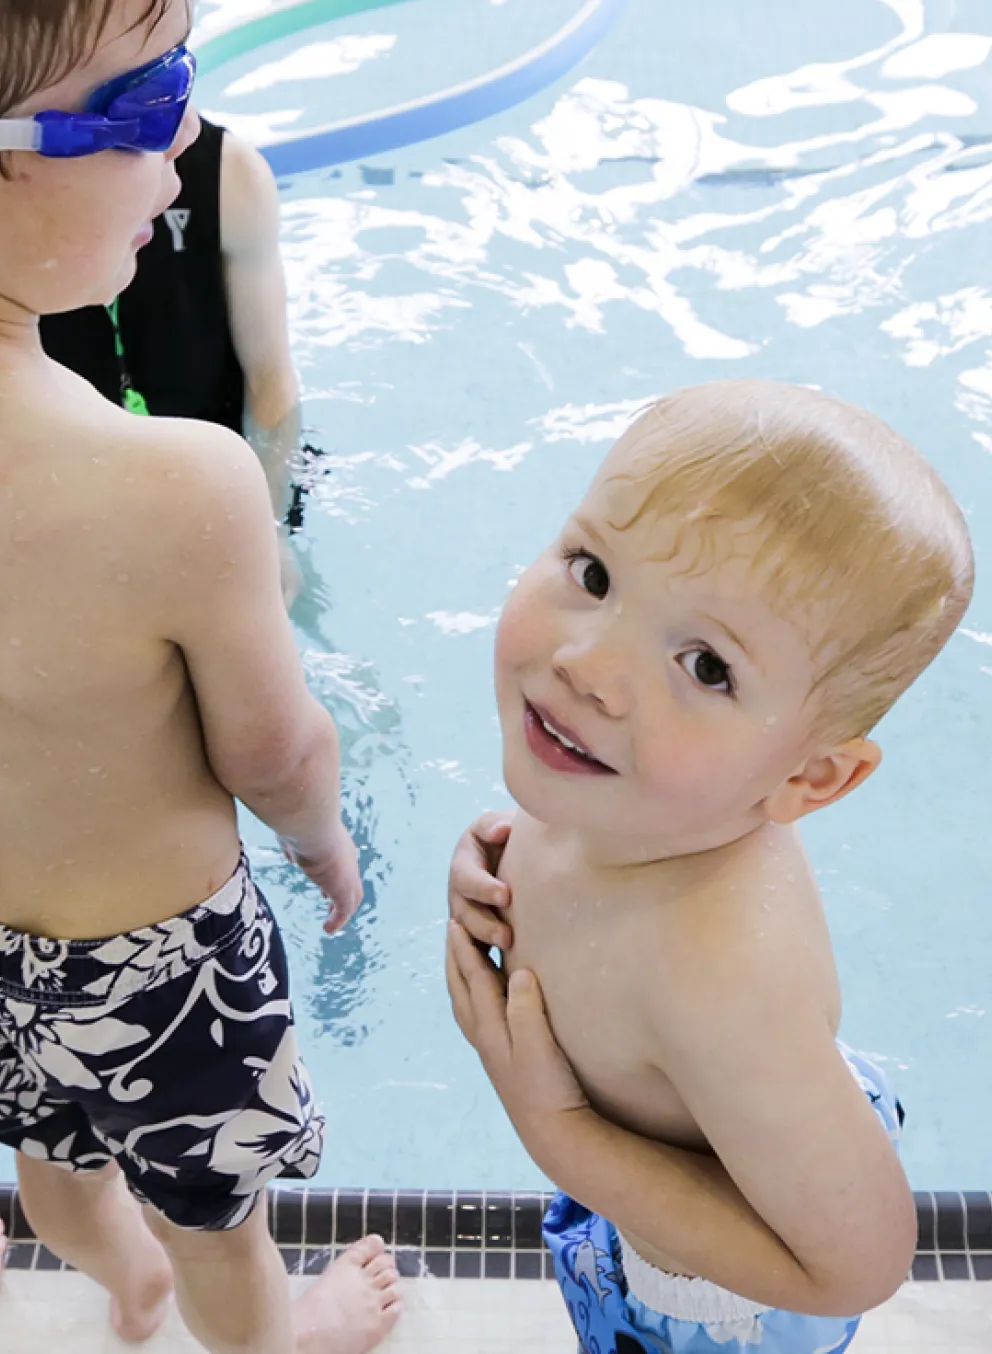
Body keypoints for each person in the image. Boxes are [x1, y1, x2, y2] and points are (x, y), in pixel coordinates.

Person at [0, 3, 400, 1351]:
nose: (183, 141)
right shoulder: (178, 484)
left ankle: (124, 1284)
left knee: (50, 1171)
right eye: (147, 97)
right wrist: (322, 838)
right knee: (220, 1216)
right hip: (165, 969)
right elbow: (276, 750)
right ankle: (279, 1329)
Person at [446, 380, 973, 1354]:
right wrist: (491, 867)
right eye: (594, 573)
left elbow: (857, 1265)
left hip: (724, 1294)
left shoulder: (718, 979)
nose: (586, 666)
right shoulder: (635, 788)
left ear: (806, 778)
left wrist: (557, 1127)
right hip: (722, 1129)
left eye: (704, 665)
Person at [39, 109, 307, 600]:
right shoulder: (26, 198)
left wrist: (268, 533)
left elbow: (271, 381)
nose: (181, 135)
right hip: (73, 493)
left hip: (226, 475)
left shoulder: (228, 173)